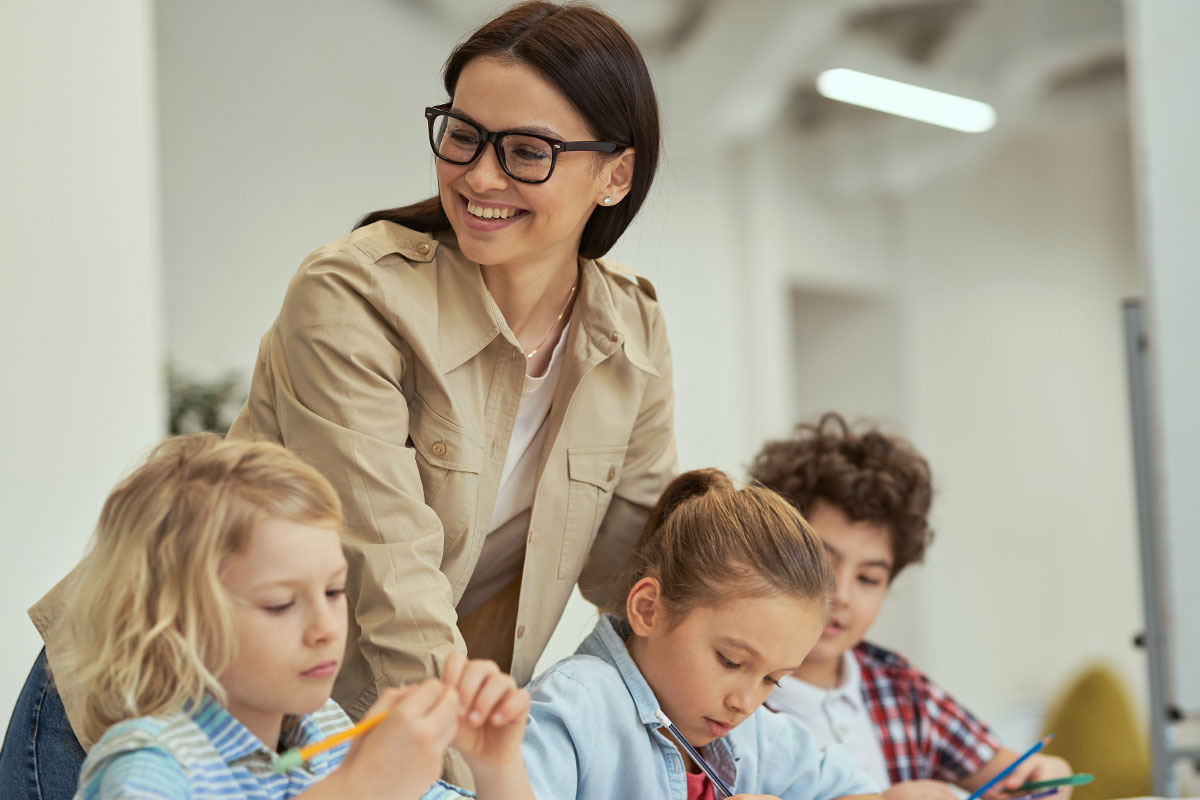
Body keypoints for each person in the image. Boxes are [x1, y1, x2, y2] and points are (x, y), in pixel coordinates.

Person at [5, 2, 673, 795]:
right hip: (157, 712)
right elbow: (395, 589)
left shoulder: (629, 330)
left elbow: (649, 584)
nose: (481, 175)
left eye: (528, 151)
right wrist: (469, 777)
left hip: (323, 742)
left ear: (616, 174)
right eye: (463, 136)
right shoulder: (355, 296)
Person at [57, 434, 534, 800]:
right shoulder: (151, 769)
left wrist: (497, 766)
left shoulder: (327, 733)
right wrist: (356, 789)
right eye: (281, 605)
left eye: (333, 591)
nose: (326, 628)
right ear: (178, 623)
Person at [750, 413, 1073, 800]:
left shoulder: (900, 687)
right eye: (821, 563)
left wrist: (1046, 776)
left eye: (869, 578)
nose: (842, 596)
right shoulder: (736, 696)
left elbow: (1012, 772)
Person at [519, 469, 882, 800]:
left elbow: (859, 793)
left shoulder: (754, 734)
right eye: (730, 660)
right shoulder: (577, 708)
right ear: (648, 609)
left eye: (773, 679)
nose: (746, 702)